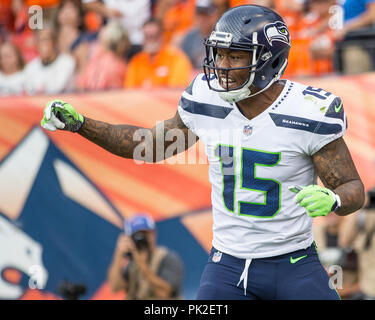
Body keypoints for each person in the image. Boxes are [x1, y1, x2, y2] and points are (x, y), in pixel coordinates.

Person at [40, 5, 365, 300]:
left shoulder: (308, 111)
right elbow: (147, 145)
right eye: (218, 54)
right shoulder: (205, 99)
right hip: (228, 264)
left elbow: (353, 188)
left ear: (270, 60)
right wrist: (82, 125)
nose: (221, 66)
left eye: (235, 56)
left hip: (294, 262)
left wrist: (334, 200)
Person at [107, 214, 184, 299]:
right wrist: (119, 254)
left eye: (145, 233)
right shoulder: (132, 263)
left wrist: (142, 265)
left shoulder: (168, 258)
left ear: (154, 233)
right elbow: (115, 287)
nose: (142, 238)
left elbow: (164, 293)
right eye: (137, 235)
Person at [123, 18, 192, 89]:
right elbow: (129, 90)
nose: (150, 41)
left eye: (153, 36)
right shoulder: (136, 61)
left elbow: (176, 90)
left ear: (162, 36)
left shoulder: (176, 58)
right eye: (146, 37)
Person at [24, 27, 76, 95]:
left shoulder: (67, 62)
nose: (43, 44)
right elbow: (29, 92)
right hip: (37, 104)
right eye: (39, 41)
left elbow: (57, 89)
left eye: (46, 40)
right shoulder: (30, 67)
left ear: (54, 42)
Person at [181, 0, 219, 69]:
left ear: (215, 16)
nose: (203, 19)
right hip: (194, 77)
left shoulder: (221, 36)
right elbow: (184, 65)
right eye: (200, 15)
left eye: (206, 15)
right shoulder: (189, 37)